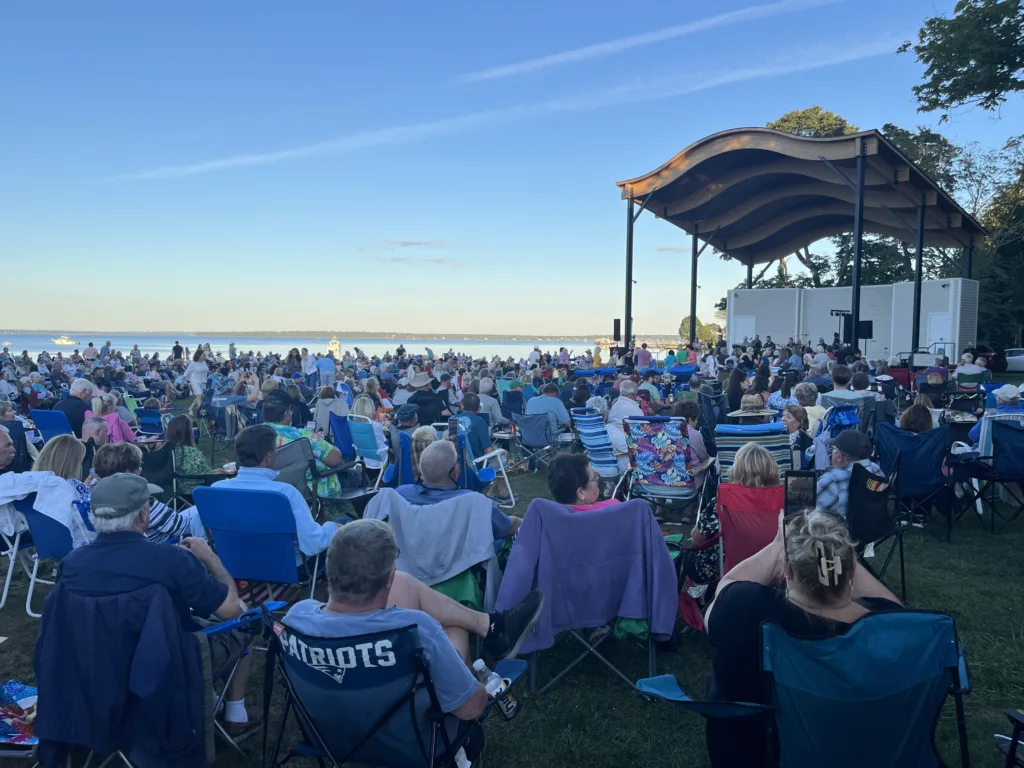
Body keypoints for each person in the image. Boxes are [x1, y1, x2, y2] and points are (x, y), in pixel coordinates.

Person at [282, 520, 544, 740]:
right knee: (454, 627)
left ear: (329, 569)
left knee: (410, 587)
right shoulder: (414, 629)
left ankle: (490, 626)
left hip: (330, 736)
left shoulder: (296, 618)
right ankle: (490, 629)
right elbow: (472, 709)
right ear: (388, 579)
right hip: (412, 741)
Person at [56, 473, 260, 737]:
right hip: (165, 667)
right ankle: (235, 715)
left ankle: (208, 701)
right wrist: (211, 559)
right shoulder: (172, 560)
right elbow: (230, 610)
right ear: (143, 515)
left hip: (95, 668)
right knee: (244, 615)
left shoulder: (71, 564)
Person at [703, 509, 902, 767]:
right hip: (859, 754)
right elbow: (897, 610)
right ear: (852, 568)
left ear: (786, 569)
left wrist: (778, 545)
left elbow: (726, 588)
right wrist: (837, 547)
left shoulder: (744, 610)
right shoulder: (888, 629)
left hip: (762, 754)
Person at [213, 425, 341, 558]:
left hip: (232, 563)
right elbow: (314, 544)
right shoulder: (285, 494)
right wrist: (333, 527)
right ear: (269, 456)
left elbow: (203, 535)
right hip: (286, 565)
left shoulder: (217, 490)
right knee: (344, 524)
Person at [396, 440, 521, 543]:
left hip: (413, 561)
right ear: (455, 471)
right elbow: (508, 528)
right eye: (458, 460)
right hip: (466, 564)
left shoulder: (400, 495)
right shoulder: (474, 502)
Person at [93, 442, 204, 542]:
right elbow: (183, 527)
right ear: (128, 473)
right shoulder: (141, 500)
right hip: (162, 546)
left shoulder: (94, 500)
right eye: (138, 466)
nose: (141, 469)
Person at [262, 390, 347, 497]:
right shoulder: (303, 436)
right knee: (355, 476)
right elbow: (336, 459)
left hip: (270, 491)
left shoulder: (255, 436)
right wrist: (320, 440)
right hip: (309, 492)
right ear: (286, 414)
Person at [816, 430, 881, 518]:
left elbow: (808, 511)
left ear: (839, 456)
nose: (831, 452)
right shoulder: (876, 469)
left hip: (841, 526)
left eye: (832, 449)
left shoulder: (832, 479)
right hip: (875, 524)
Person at [165, 414, 223, 495]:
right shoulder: (191, 452)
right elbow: (207, 475)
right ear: (187, 432)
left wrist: (215, 471)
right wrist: (222, 472)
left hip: (179, 490)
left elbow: (194, 472)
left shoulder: (170, 451)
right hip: (198, 490)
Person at [546, 452, 620, 511]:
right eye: (594, 477)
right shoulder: (614, 509)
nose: (597, 479)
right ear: (581, 493)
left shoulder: (546, 518)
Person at [33, 434, 91, 501]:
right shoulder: (75, 489)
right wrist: (85, 489)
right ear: (72, 464)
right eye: (79, 461)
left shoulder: (28, 483)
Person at [671, 400, 711, 492]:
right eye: (696, 419)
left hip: (659, 484)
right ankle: (696, 502)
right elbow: (704, 458)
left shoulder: (658, 430)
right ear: (689, 420)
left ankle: (660, 502)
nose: (696, 423)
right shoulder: (694, 434)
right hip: (688, 484)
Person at [607, 380, 643, 458]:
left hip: (614, 442)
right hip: (628, 444)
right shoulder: (634, 408)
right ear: (633, 394)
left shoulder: (616, 405)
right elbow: (644, 430)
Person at [351, 395, 388, 469]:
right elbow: (382, 441)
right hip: (379, 458)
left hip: (365, 457)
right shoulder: (376, 425)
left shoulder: (354, 425)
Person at [460, 393, 496, 459]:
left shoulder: (452, 419)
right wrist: (501, 451)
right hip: (476, 462)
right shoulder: (480, 422)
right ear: (478, 408)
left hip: (455, 462)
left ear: (462, 405)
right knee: (503, 456)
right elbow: (488, 451)